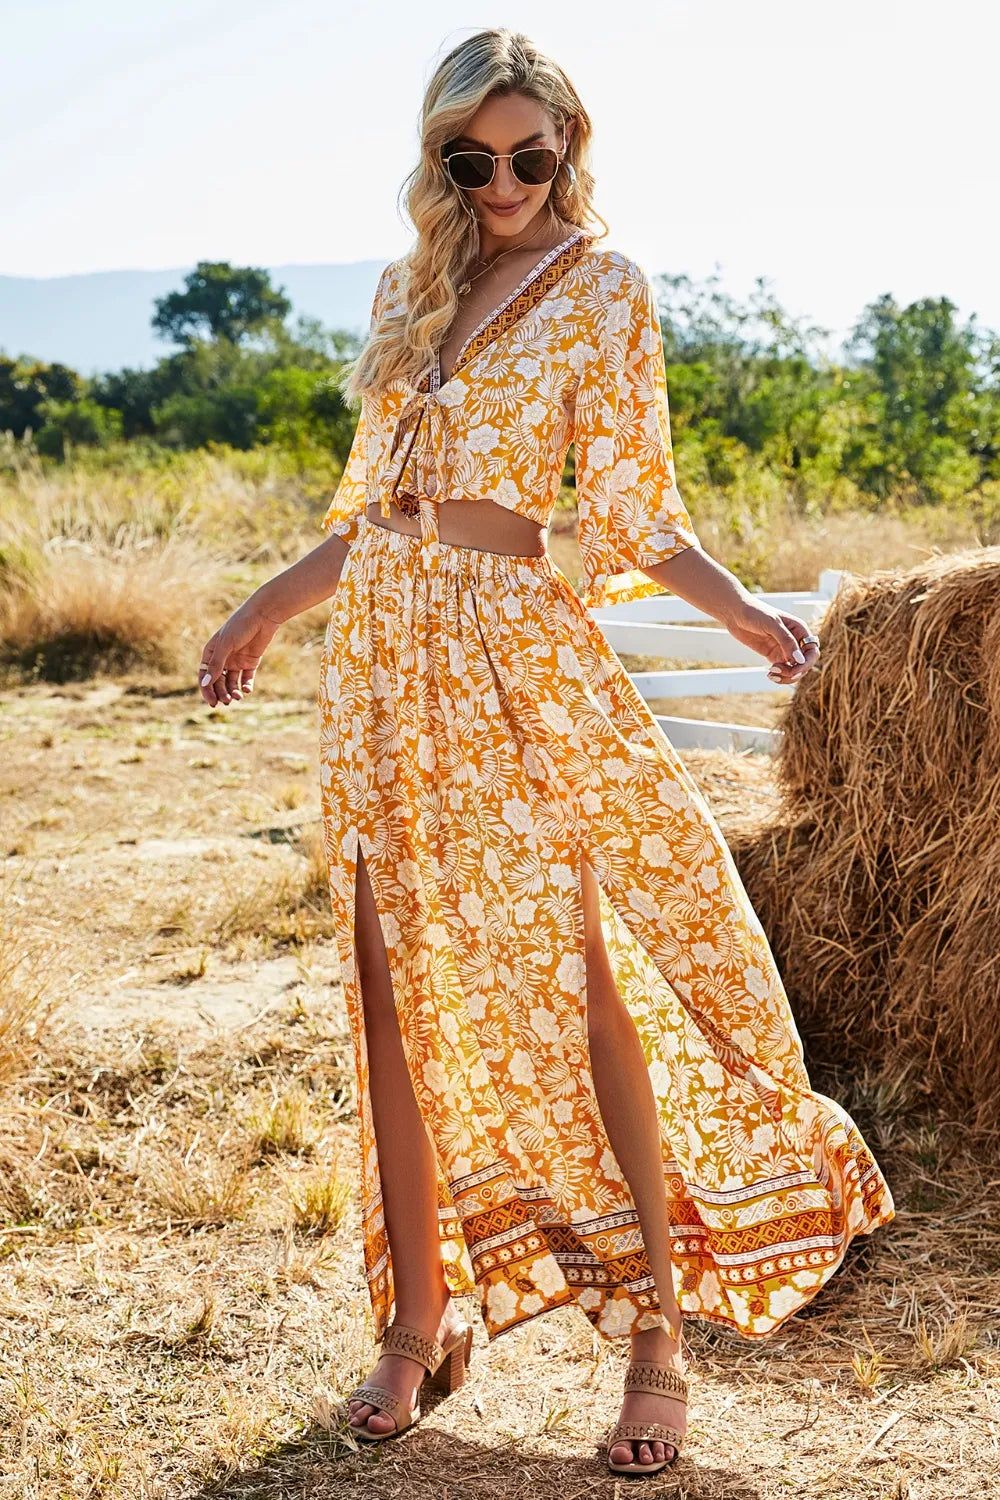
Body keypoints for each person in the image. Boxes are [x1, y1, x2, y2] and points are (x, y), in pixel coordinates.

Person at [196, 27, 895, 1479]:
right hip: (384, 660)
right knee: (393, 992)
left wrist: (747, 613)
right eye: (471, 156)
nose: (502, 178)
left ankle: (657, 1338)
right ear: (438, 155)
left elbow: (634, 514)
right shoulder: (411, 287)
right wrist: (264, 610)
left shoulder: (605, 290)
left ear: (569, 141)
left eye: (528, 151)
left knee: (589, 991)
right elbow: (367, 511)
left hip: (514, 655)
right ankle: (417, 1322)